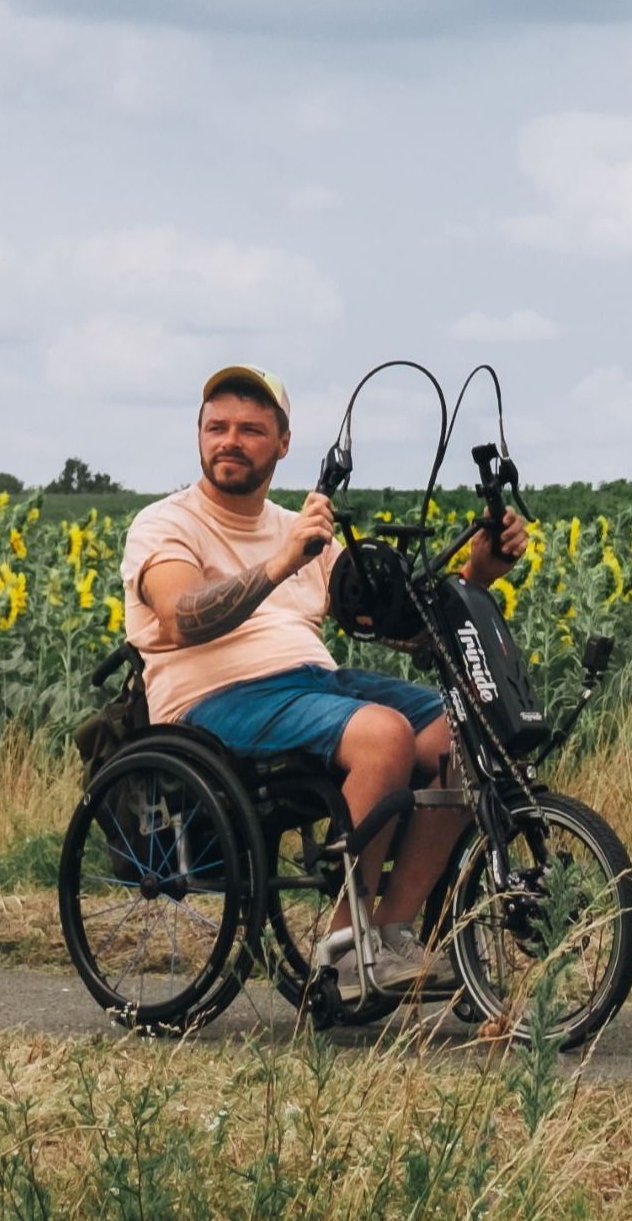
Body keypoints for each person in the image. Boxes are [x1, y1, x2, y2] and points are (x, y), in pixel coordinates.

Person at [118, 363, 527, 995]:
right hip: (211, 701)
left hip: (312, 684)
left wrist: (476, 577)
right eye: (217, 427)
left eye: (251, 430)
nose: (230, 441)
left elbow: (395, 628)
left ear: (282, 443)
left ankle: (390, 930)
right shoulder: (165, 525)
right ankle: (341, 943)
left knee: (461, 729)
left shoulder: (298, 527)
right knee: (384, 735)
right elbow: (184, 615)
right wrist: (282, 564)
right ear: (198, 434)